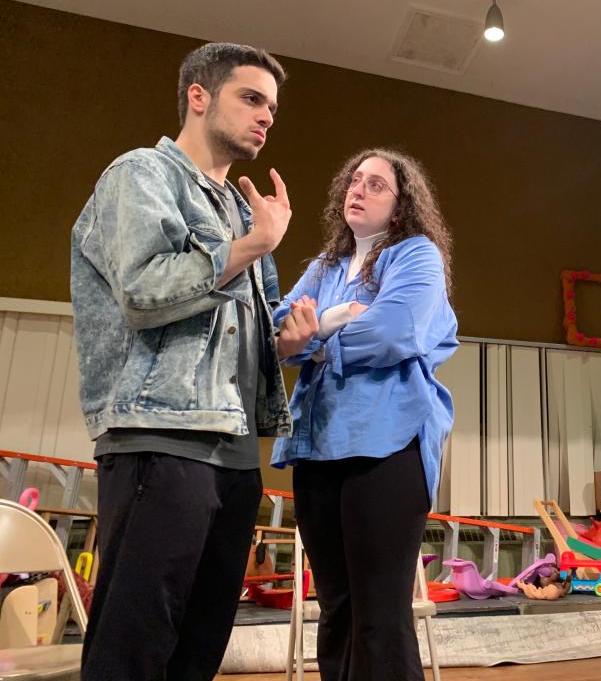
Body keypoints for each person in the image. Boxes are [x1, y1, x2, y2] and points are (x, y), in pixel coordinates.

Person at [70, 42, 293, 680]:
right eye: (251, 98)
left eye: (272, 107)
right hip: (160, 437)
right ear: (199, 96)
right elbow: (142, 290)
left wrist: (292, 337)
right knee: (134, 646)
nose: (266, 116)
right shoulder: (140, 174)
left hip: (233, 448)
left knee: (199, 645)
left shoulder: (243, 213)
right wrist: (254, 243)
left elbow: (258, 328)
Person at [271, 148, 458, 680]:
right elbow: (281, 330)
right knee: (336, 611)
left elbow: (393, 329)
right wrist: (333, 317)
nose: (359, 189)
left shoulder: (416, 255)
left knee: (379, 614)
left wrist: (315, 339)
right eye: (355, 180)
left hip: (388, 446)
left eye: (377, 185)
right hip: (319, 446)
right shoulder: (324, 267)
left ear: (399, 208)